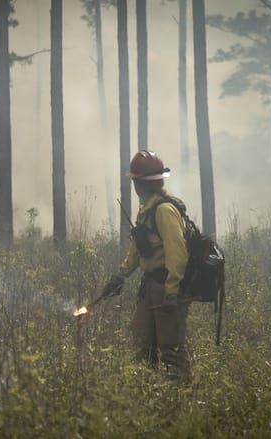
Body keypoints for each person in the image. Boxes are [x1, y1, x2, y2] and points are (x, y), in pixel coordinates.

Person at [102, 150, 192, 380]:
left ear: (139, 184)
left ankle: (180, 400)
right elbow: (137, 250)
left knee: (171, 350)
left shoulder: (163, 210)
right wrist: (120, 276)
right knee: (142, 346)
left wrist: (172, 291)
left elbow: (177, 253)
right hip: (150, 286)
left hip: (166, 287)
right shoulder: (147, 210)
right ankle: (147, 399)